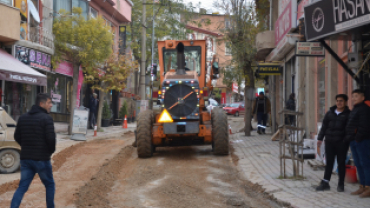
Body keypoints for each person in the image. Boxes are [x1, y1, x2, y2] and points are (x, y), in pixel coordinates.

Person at [11, 93, 56, 208]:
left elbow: (17, 136)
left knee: (22, 187)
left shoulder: (23, 117)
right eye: (49, 102)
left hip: (26, 159)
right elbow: (51, 139)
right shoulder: (47, 118)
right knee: (50, 184)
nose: (51, 105)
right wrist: (49, 152)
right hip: (42, 159)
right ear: (41, 104)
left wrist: (26, 146)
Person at [315, 94, 350, 192]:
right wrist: (320, 138)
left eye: (341, 101)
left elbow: (349, 129)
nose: (339, 103)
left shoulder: (348, 114)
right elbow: (324, 126)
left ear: (345, 102)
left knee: (341, 163)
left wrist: (345, 140)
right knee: (329, 163)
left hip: (341, 143)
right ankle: (325, 183)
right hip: (329, 142)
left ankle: (341, 184)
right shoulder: (330, 112)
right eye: (337, 101)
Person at [345, 89, 370, 198]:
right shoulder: (355, 108)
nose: (354, 98)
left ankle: (368, 187)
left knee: (365, 164)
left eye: (356, 96)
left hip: (362, 140)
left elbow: (364, 126)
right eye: (353, 96)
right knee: (358, 164)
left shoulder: (364, 109)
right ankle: (362, 186)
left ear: (362, 97)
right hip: (354, 140)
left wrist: (358, 138)